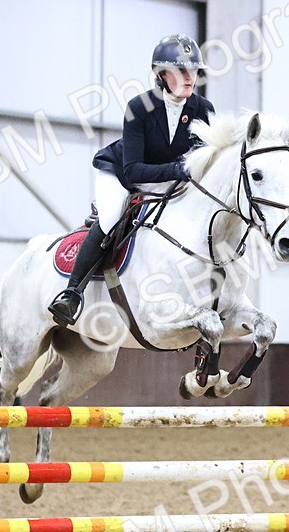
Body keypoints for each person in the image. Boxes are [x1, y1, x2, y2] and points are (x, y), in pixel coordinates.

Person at [49, 34, 216, 327]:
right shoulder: (139, 107)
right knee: (112, 216)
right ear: (161, 75)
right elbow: (134, 171)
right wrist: (178, 169)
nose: (190, 77)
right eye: (181, 70)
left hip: (170, 179)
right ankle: (72, 293)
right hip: (121, 174)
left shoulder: (203, 109)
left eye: (193, 70)